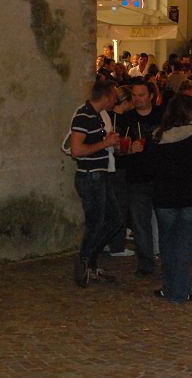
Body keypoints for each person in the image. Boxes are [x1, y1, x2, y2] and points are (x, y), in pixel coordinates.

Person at [146, 95, 192, 302]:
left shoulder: (158, 136)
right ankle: (181, 291)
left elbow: (149, 167)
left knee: (167, 245)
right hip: (190, 198)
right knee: (185, 246)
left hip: (165, 198)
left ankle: (169, 288)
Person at [69, 79, 122, 287]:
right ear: (107, 96)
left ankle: (89, 261)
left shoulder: (99, 117)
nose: (116, 101)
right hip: (90, 176)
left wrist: (110, 143)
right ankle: (85, 263)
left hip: (100, 174)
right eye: (114, 96)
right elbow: (76, 150)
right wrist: (105, 143)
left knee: (115, 219)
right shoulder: (83, 116)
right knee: (96, 223)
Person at [121, 80, 165, 277]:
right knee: (140, 223)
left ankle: (168, 258)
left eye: (141, 95)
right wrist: (130, 149)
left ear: (150, 96)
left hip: (161, 177)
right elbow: (118, 148)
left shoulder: (162, 116)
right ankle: (146, 263)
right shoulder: (127, 118)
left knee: (165, 221)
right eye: (134, 95)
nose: (137, 99)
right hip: (137, 178)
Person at [105, 86, 135, 258]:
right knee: (120, 205)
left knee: (112, 205)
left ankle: (110, 241)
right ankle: (117, 245)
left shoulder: (108, 117)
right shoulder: (119, 120)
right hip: (119, 166)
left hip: (113, 166)